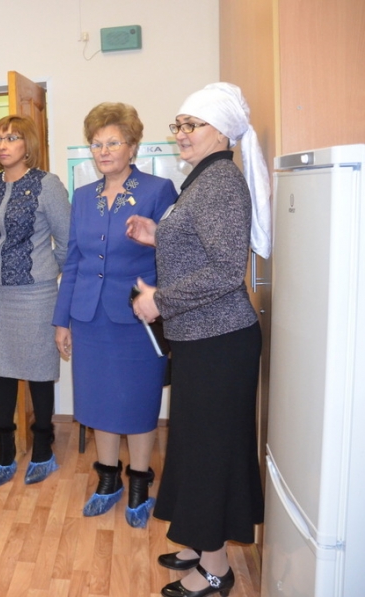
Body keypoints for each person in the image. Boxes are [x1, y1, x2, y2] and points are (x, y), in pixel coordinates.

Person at [126, 82, 270, 597]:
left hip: (220, 342)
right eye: (179, 125)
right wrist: (157, 234)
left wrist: (159, 300)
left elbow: (227, 270)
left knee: (210, 453)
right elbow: (204, 246)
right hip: (202, 339)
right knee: (194, 447)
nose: (182, 134)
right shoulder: (205, 179)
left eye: (192, 125)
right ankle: (197, 540)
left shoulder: (220, 182)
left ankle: (215, 568)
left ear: (221, 131)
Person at [52, 102, 177, 528]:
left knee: (138, 401)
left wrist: (162, 298)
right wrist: (62, 319)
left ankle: (140, 480)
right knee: (97, 400)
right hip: (88, 316)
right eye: (96, 144)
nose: (103, 151)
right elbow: (73, 260)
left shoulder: (158, 190)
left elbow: (174, 254)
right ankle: (107, 479)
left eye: (113, 143)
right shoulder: (83, 197)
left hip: (137, 317)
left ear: (132, 146)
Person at [0, 115, 71, 486]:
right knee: (1, 369)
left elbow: (67, 241)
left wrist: (55, 279)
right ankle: (4, 447)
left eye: (12, 138)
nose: (3, 145)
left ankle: (44, 448)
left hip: (36, 293)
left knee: (38, 371)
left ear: (27, 144)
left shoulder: (47, 184)